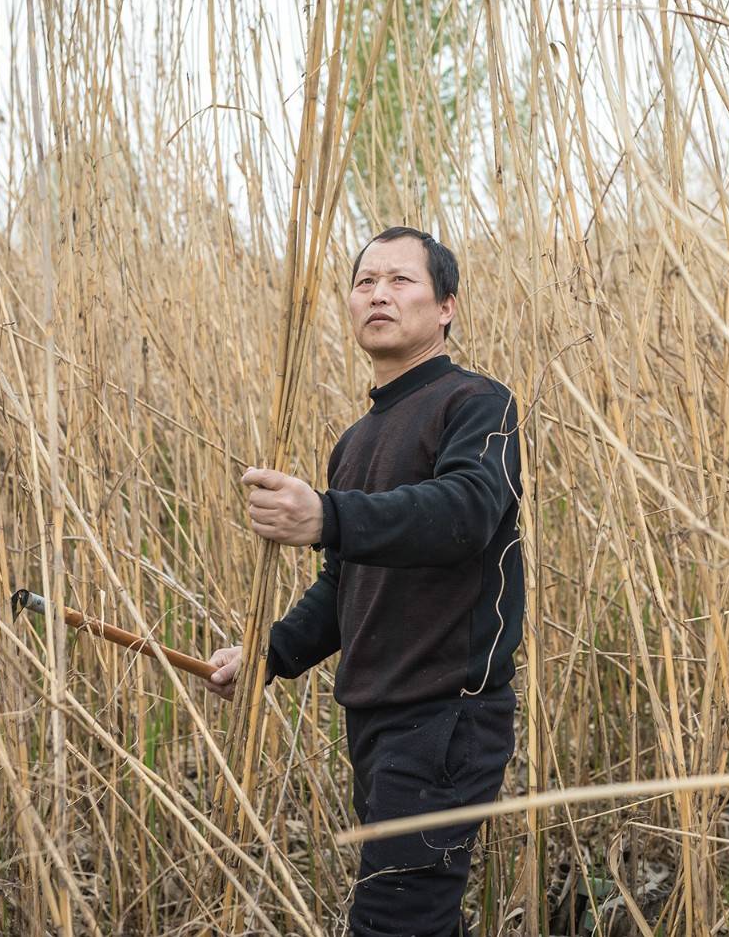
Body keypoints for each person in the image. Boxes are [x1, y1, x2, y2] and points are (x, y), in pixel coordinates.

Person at [206, 226, 524, 937]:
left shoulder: (477, 404)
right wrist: (270, 654)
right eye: (364, 281)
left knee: (391, 924)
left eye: (401, 280)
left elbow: (465, 514)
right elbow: (345, 585)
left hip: (447, 717)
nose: (379, 293)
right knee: (422, 921)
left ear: (446, 306)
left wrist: (325, 516)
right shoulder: (353, 442)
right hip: (375, 720)